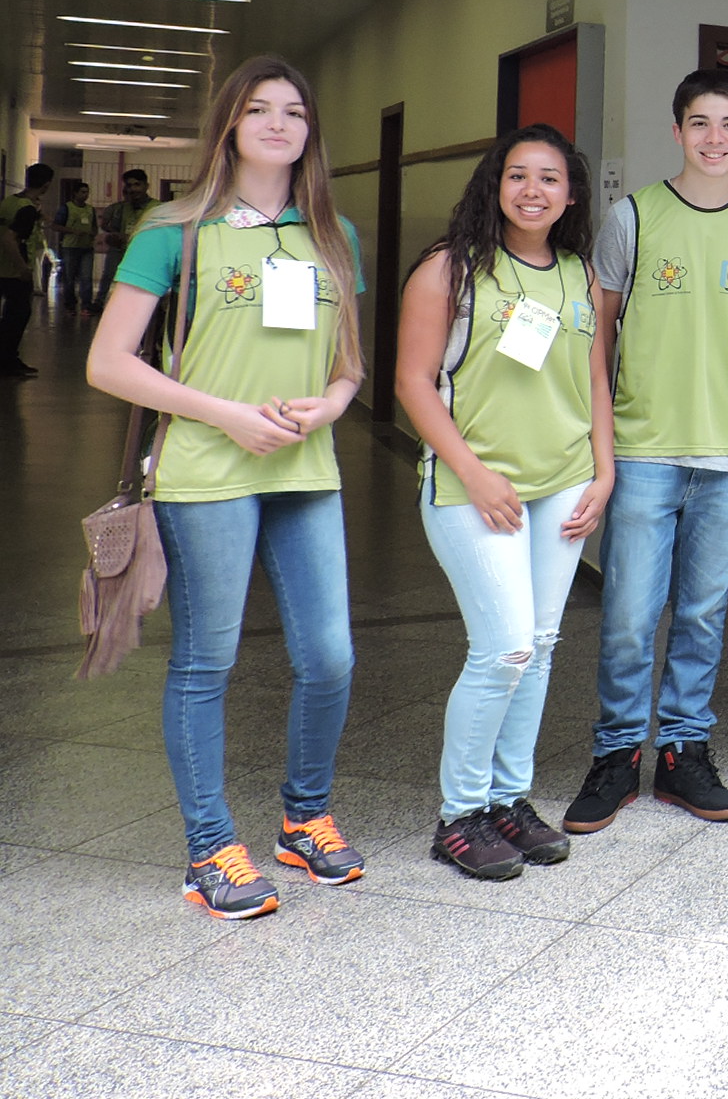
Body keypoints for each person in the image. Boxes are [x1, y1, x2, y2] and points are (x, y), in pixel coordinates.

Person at [86, 59, 366, 919]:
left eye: (295, 112)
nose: (279, 124)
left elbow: (350, 367)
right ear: (230, 127)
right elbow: (107, 363)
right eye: (259, 110)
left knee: (330, 657)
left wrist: (331, 405)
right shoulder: (174, 231)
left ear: (310, 131)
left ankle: (304, 817)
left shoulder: (335, 235)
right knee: (208, 660)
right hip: (206, 472)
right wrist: (227, 416)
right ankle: (209, 847)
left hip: (304, 469)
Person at [564, 69, 728, 833]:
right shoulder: (633, 217)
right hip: (644, 450)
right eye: (700, 123)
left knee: (702, 614)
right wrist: (603, 443)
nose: (714, 139)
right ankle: (617, 754)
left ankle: (682, 754)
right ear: (677, 131)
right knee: (630, 616)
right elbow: (599, 333)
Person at [397, 126, 614, 879]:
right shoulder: (450, 268)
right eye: (517, 175)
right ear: (495, 185)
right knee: (505, 648)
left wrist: (604, 473)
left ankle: (508, 800)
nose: (533, 190)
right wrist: (475, 472)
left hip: (564, 484)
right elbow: (413, 382)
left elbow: (595, 380)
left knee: (541, 645)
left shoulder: (581, 276)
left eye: (549, 178)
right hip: (473, 488)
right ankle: (460, 815)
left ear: (572, 195)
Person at [0, 163, 55, 376]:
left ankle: (6, 358)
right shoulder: (27, 209)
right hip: (15, 271)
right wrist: (23, 268)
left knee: (9, 316)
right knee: (17, 316)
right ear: (46, 185)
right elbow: (9, 238)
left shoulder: (9, 202)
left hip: (2, 267)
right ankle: (8, 361)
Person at [96, 167, 158, 311]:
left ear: (146, 186)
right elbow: (112, 228)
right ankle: (101, 302)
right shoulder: (122, 208)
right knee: (113, 277)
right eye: (129, 185)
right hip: (124, 253)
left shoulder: (157, 208)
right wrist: (114, 238)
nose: (133, 189)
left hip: (146, 256)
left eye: (137, 184)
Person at [58, 180, 97, 316]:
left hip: (86, 247)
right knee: (69, 278)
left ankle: (86, 305)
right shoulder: (66, 208)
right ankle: (70, 304)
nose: (85, 195)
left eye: (87, 192)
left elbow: (94, 226)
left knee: (86, 277)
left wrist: (93, 234)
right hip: (70, 247)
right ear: (75, 193)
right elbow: (56, 225)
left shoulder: (90, 209)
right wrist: (72, 231)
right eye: (82, 192)